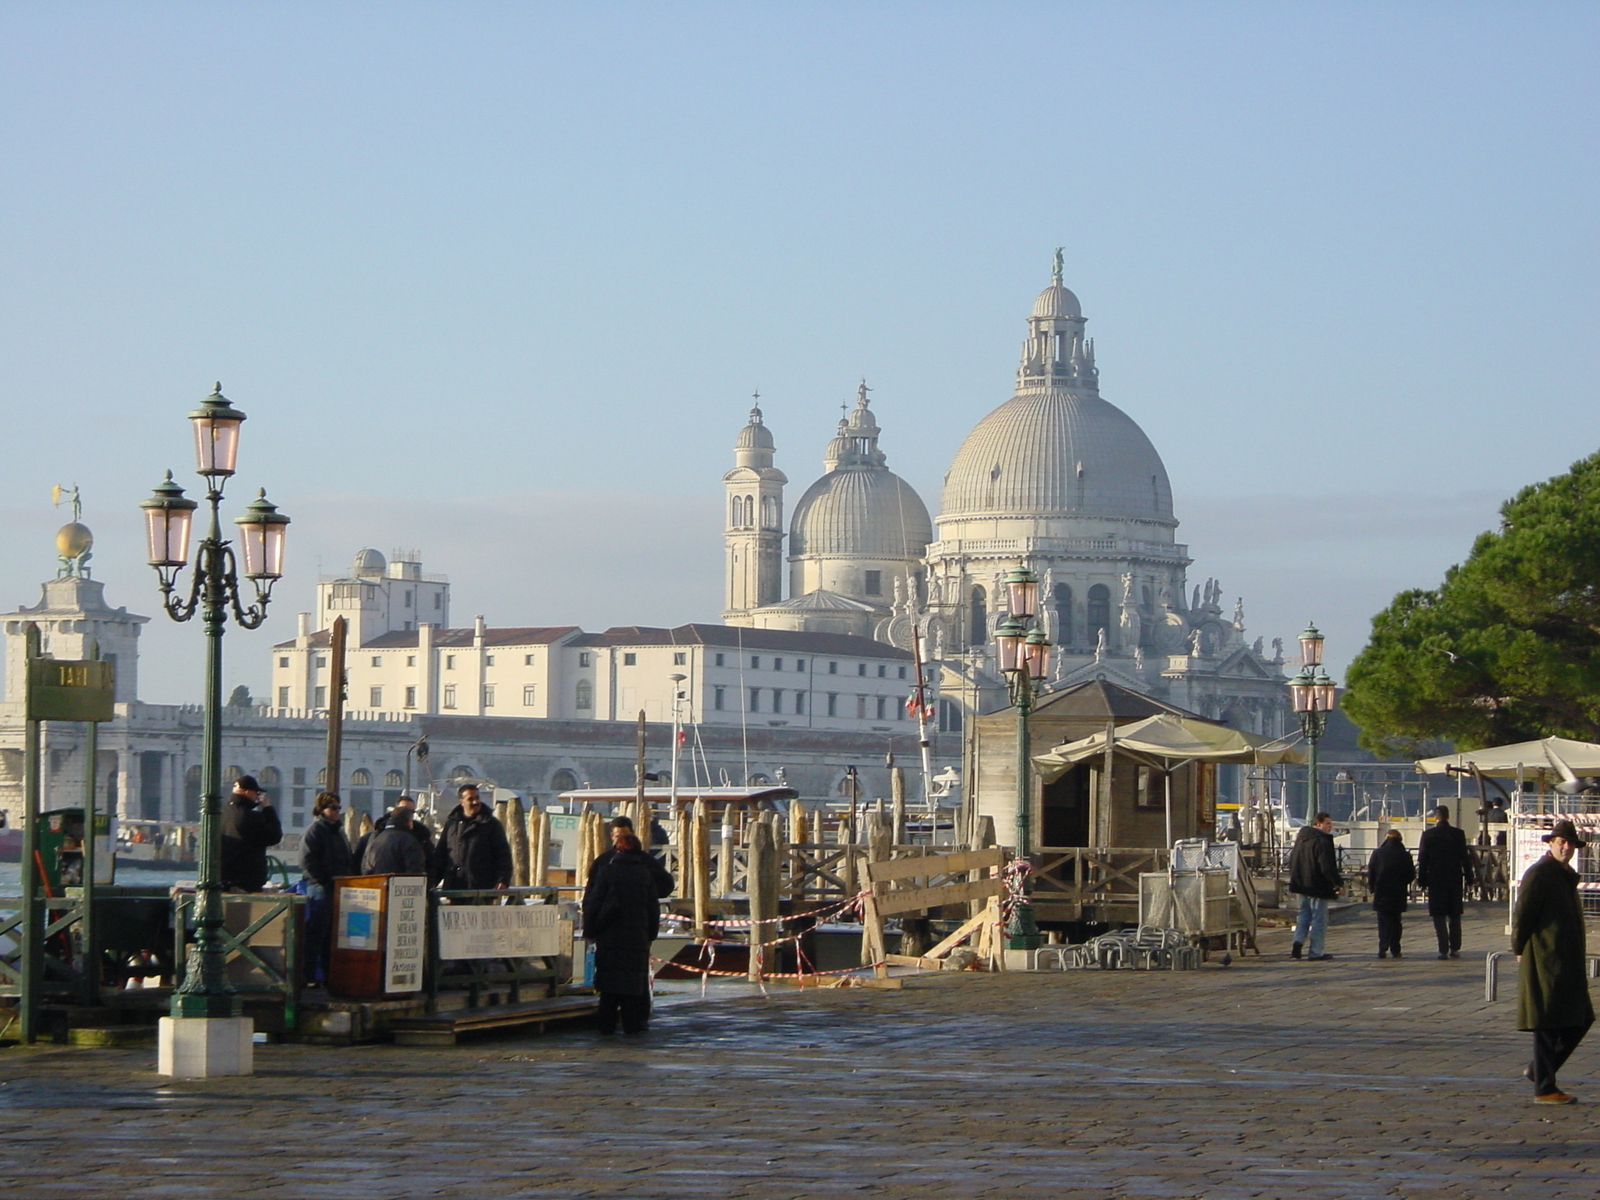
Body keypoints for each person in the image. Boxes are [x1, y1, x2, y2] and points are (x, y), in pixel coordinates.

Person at [1514, 819, 1593, 1104]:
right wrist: (1519, 947)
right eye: (1561, 842)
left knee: (1581, 1018)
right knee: (1547, 1023)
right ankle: (1545, 1088)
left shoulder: (1564, 874)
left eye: (1570, 843)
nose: (1566, 847)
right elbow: (1522, 914)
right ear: (1550, 843)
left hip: (1566, 958)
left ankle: (1540, 1071)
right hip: (1545, 957)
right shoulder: (1540, 874)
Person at [582, 832, 674, 1034]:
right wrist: (651, 934)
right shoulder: (645, 874)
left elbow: (594, 903)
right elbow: (653, 908)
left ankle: (606, 1028)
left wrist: (589, 931)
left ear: (618, 849)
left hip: (610, 935)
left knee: (609, 987)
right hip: (637, 937)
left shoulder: (607, 871)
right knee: (633, 986)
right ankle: (633, 1027)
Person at [299, 792, 352, 985]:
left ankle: (328, 975)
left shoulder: (338, 832)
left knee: (332, 933)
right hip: (321, 888)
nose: (338, 811)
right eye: (333, 808)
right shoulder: (315, 830)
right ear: (322, 809)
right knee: (317, 932)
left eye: (339, 807)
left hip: (338, 887)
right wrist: (324, 880)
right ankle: (310, 975)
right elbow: (306, 860)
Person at [1418, 804, 1476, 959]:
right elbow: (1465, 859)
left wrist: (1421, 880)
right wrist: (1469, 878)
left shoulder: (1428, 835)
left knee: (1438, 915)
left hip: (1435, 879)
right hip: (1454, 878)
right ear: (1448, 816)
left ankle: (1442, 949)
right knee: (1454, 914)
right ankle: (1455, 948)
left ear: (1436, 817)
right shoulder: (1458, 834)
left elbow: (1423, 860)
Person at [432, 784, 513, 890]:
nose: (475, 802)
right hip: (454, 885)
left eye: (477, 798)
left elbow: (503, 855)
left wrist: (503, 880)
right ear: (461, 802)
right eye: (470, 799)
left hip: (482, 886)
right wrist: (432, 882)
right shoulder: (451, 825)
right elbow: (441, 855)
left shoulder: (491, 824)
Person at [583, 815, 672, 908]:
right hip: (611, 916)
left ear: (632, 834)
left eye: (625, 836)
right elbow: (591, 893)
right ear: (612, 836)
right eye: (618, 836)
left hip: (637, 914)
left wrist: (645, 895)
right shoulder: (603, 861)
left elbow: (666, 885)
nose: (622, 840)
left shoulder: (646, 861)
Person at [1288, 812, 1341, 961]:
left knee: (1304, 915)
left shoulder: (1302, 838)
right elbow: (1326, 866)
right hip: (1317, 885)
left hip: (1301, 884)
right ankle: (1315, 952)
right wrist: (1336, 883)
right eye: (1328, 824)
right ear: (1318, 824)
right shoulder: (1322, 841)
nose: (1330, 827)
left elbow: (1292, 860)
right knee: (1319, 918)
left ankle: (1297, 942)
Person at [219, 774, 283, 891]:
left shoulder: (220, 813)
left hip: (221, 878)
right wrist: (268, 809)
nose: (257, 797)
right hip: (246, 880)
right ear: (248, 792)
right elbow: (274, 836)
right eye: (257, 794)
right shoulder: (252, 817)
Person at [1367, 829, 1416, 959]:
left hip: (1381, 891)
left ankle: (1383, 947)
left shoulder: (1377, 853)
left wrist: (1372, 887)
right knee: (1396, 920)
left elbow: (1371, 872)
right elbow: (1411, 874)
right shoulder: (1405, 855)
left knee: (1383, 920)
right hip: (1398, 892)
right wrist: (1403, 883)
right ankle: (1396, 948)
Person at [354, 795, 434, 867]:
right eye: (403, 810)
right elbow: (362, 862)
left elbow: (431, 861)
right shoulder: (374, 835)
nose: (407, 814)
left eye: (411, 811)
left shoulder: (421, 835)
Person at [362, 805, 430, 875]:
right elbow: (414, 872)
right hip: (400, 884)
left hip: (376, 884)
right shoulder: (409, 841)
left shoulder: (375, 840)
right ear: (409, 822)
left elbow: (366, 869)